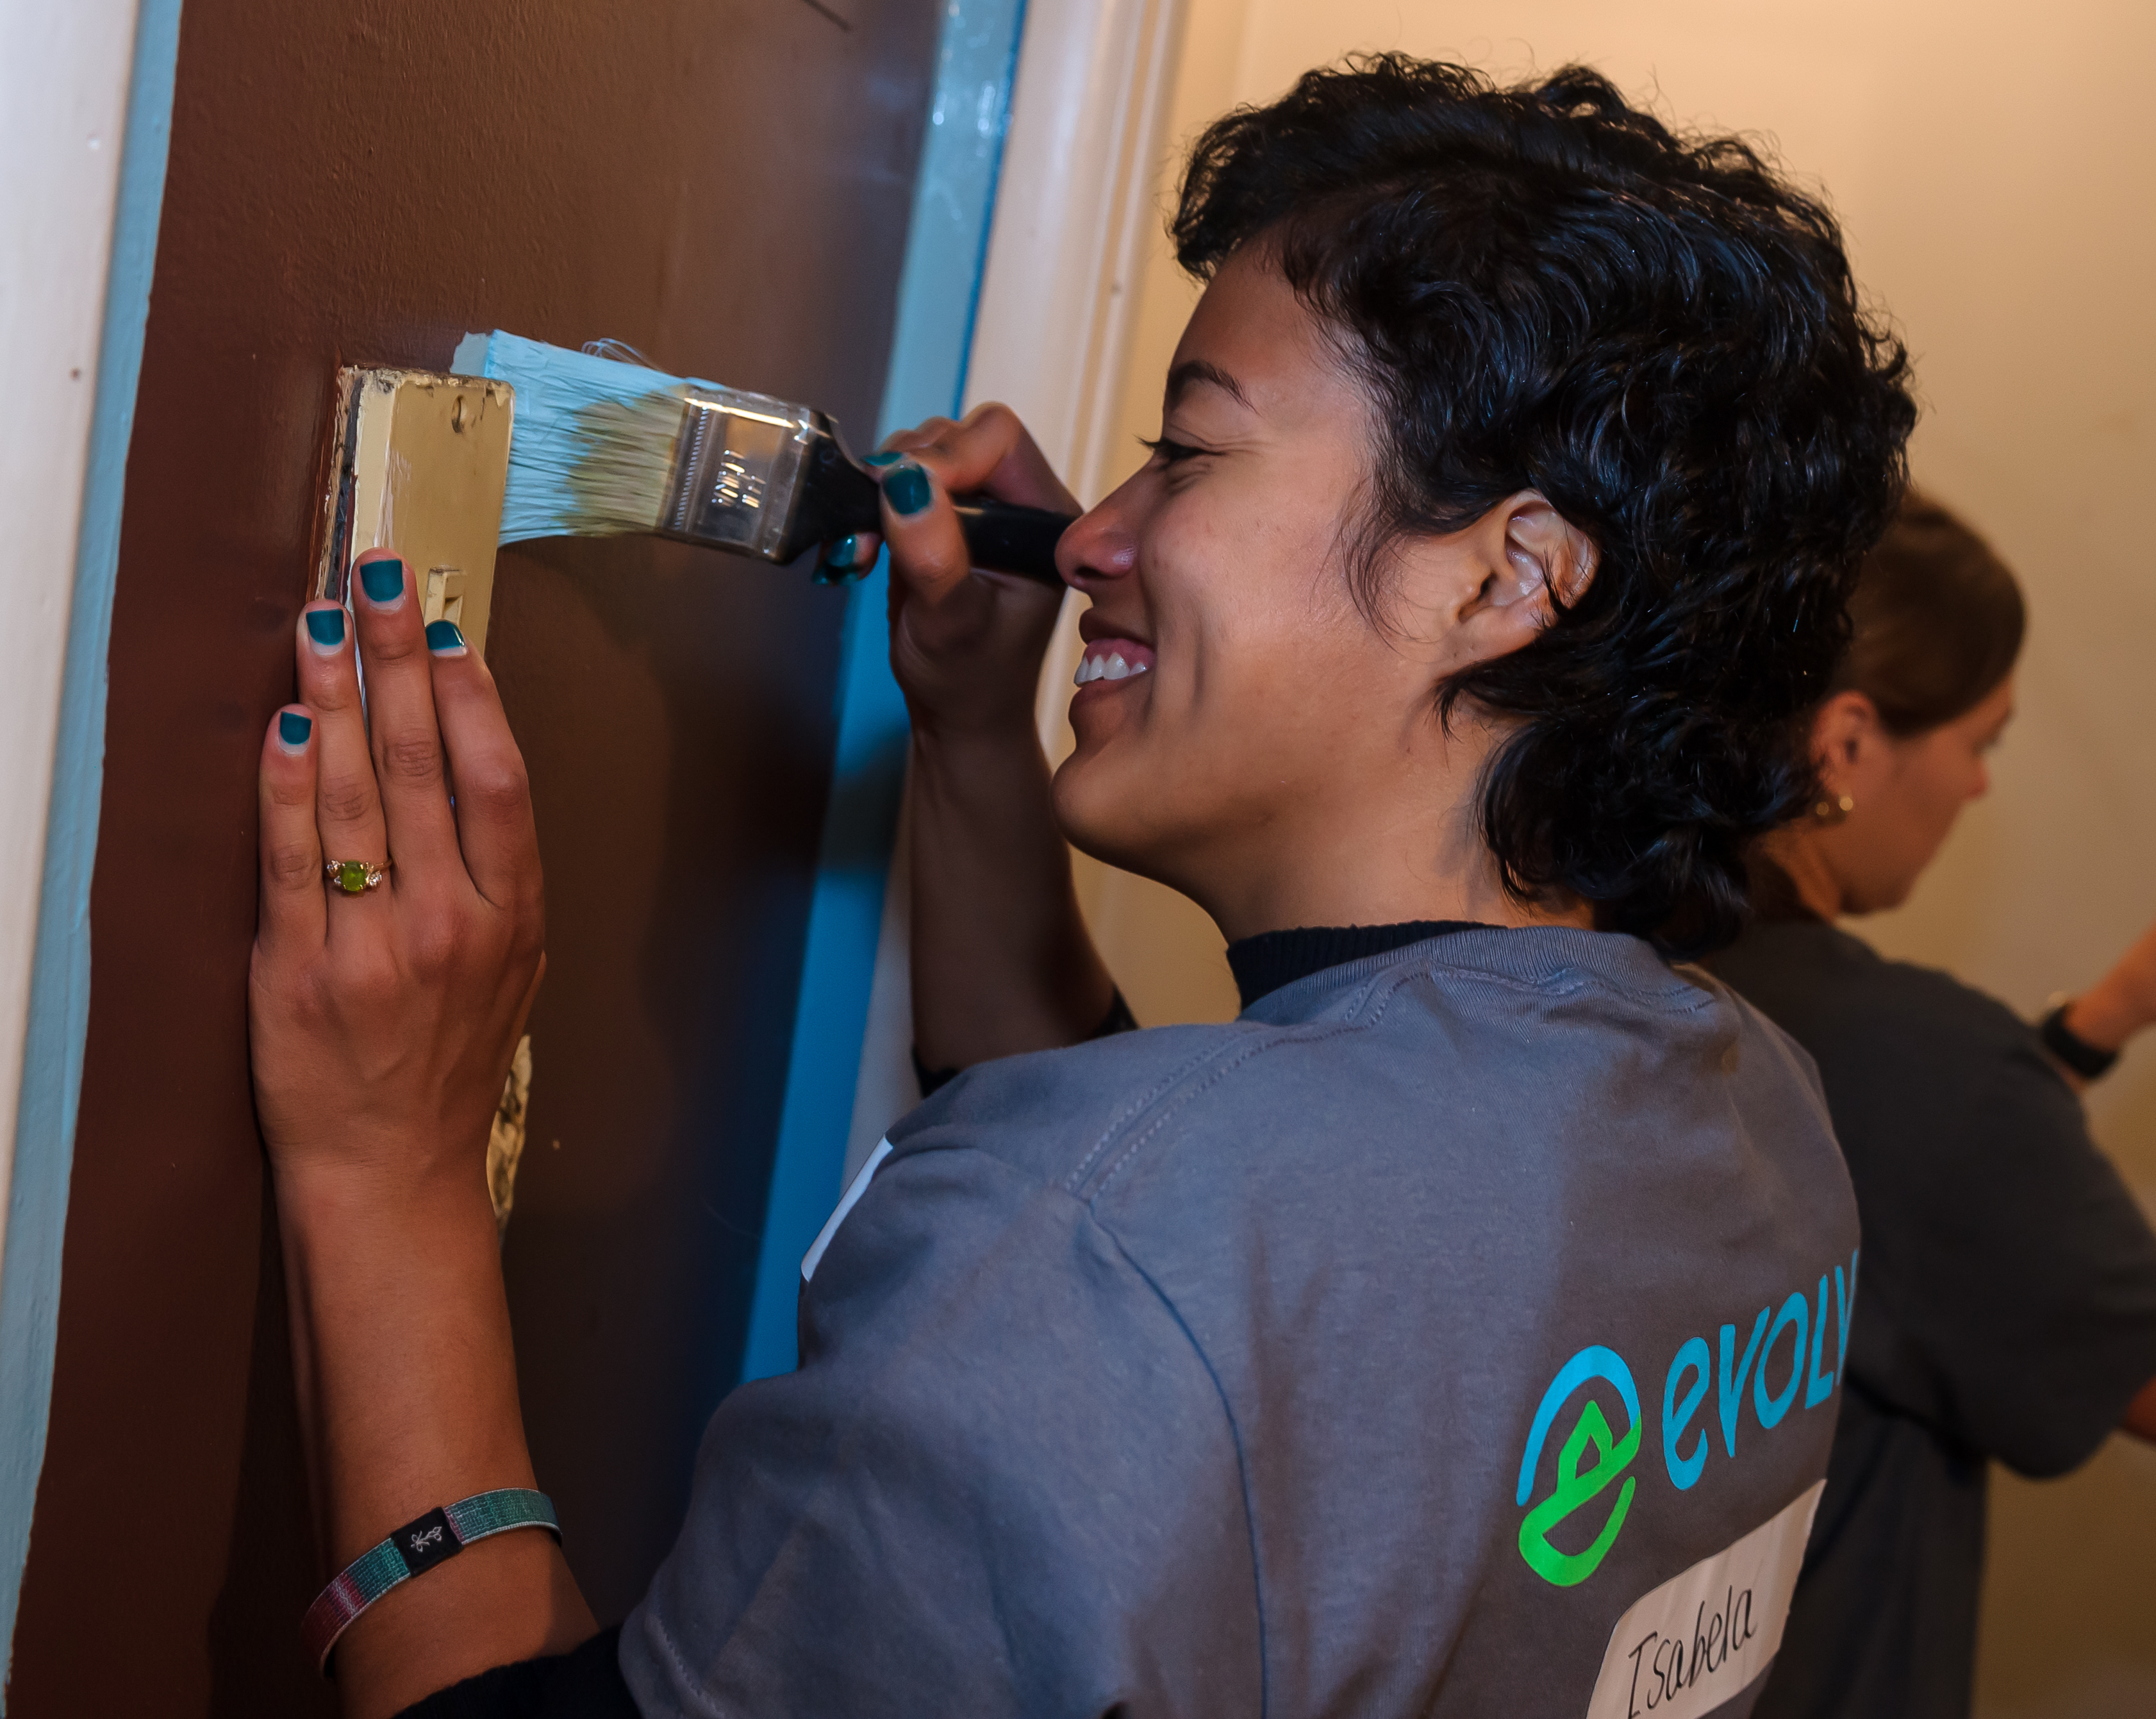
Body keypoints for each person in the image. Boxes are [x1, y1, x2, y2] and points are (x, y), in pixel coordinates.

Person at [247, 58, 1916, 1719]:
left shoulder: (1110, 1255)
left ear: (1504, 577)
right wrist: (982, 733)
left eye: (1184, 452)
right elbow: (1204, 1312)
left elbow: (1120, 1281)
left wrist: (388, 1167)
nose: (1093, 537)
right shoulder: (1767, 1134)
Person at [1705, 497, 2156, 1719]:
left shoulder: (1606, 971)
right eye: (1982, 742)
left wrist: (2107, 1014)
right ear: (1848, 743)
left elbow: (1936, 1193)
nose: (1977, 790)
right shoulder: (1919, 1065)